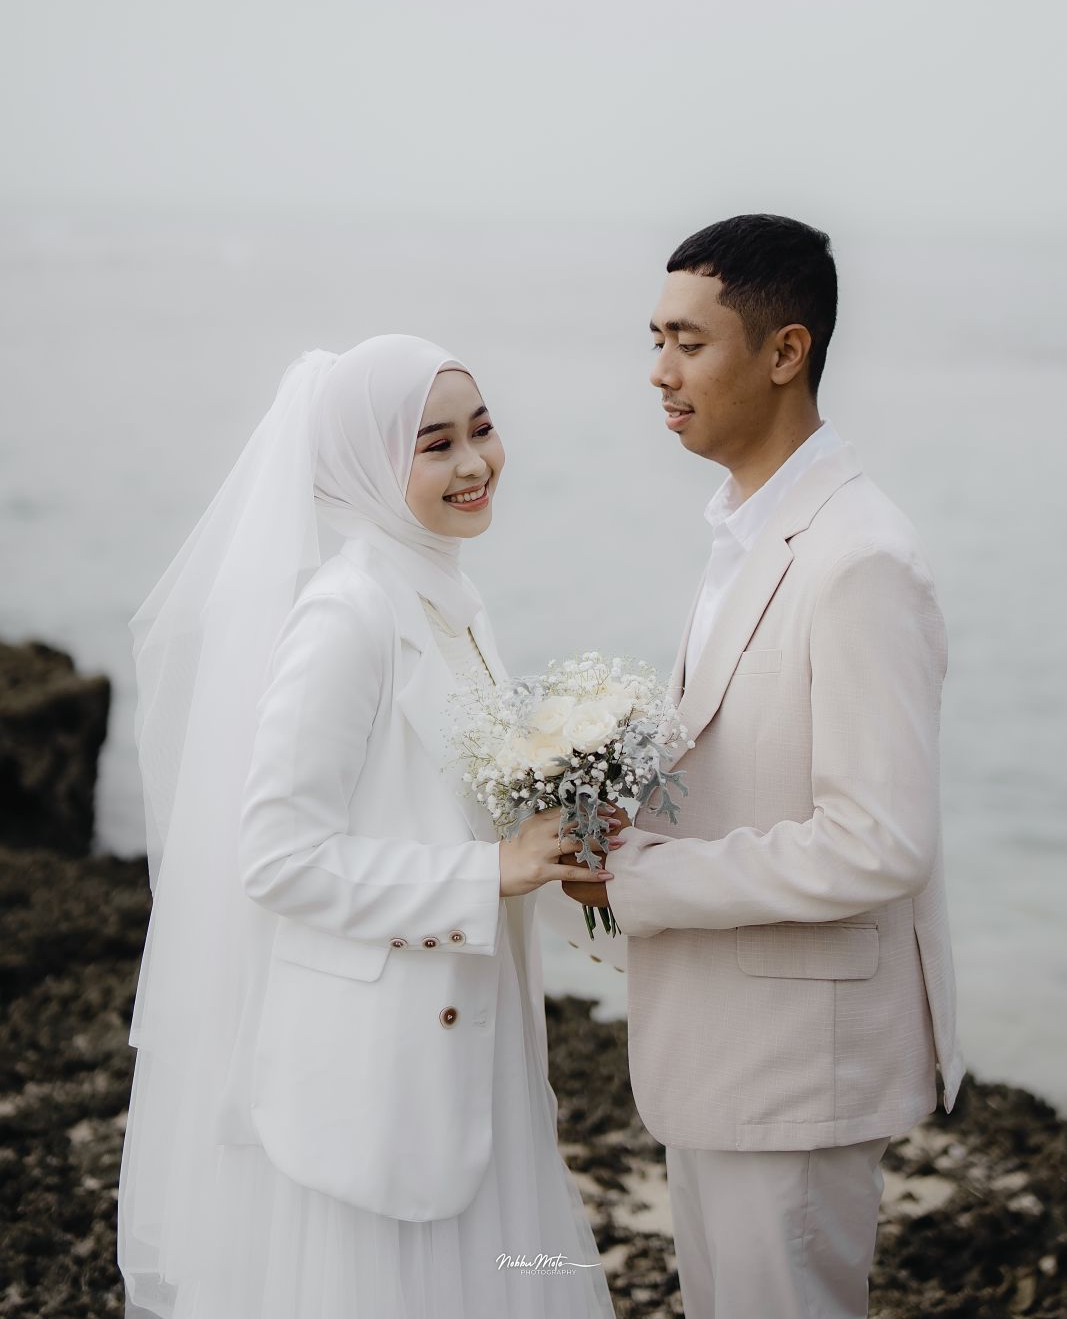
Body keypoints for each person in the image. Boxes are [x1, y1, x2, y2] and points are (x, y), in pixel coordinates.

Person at [117, 335, 620, 1319]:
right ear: (363, 464)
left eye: (481, 429)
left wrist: (568, 832)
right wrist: (489, 873)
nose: (474, 463)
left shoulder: (447, 596)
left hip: (473, 1047)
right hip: (380, 1071)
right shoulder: (345, 615)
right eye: (434, 444)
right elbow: (278, 860)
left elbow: (448, 802)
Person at [576, 214, 964, 1319]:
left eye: (688, 342)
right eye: (655, 339)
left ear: (786, 351)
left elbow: (877, 842)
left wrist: (641, 880)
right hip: (725, 1051)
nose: (659, 372)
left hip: (797, 1066)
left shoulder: (858, 558)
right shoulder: (747, 530)